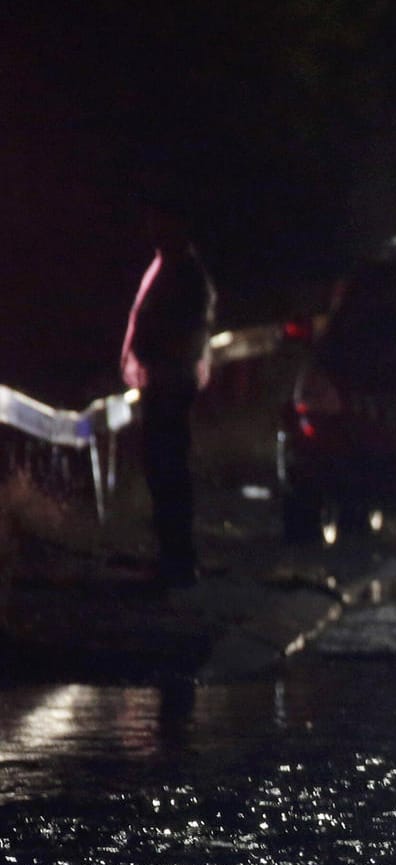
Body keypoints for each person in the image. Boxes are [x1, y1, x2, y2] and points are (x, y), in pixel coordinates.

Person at [120, 201, 215, 587]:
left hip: (170, 386)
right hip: (162, 383)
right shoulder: (170, 268)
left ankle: (178, 560)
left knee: (169, 469)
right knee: (162, 470)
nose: (151, 229)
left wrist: (159, 361)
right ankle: (172, 556)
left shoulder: (186, 275)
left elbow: (183, 335)